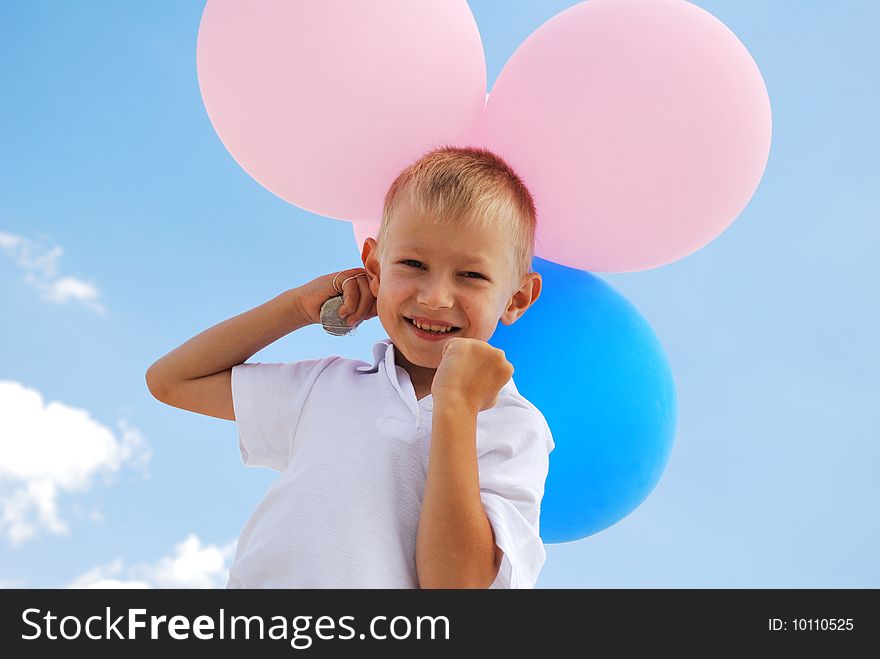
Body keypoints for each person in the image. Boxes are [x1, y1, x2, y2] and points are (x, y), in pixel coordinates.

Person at [145, 146, 555, 588]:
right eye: (413, 264)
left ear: (516, 298)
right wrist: (297, 306)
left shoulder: (512, 426)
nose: (436, 296)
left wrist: (456, 406)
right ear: (375, 269)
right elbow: (172, 381)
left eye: (471, 276)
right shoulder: (326, 387)